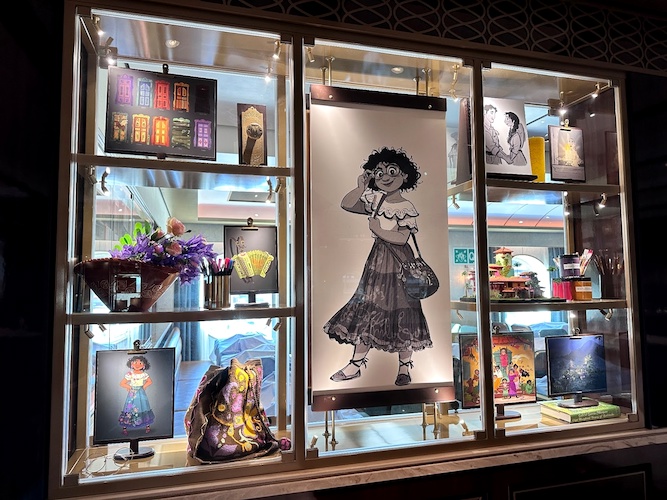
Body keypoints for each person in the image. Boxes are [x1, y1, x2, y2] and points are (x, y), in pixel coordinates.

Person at [324, 146, 432, 387]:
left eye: (392, 171)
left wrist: (378, 230)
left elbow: (402, 238)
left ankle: (404, 366)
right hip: (378, 260)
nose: (385, 177)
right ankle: (356, 363)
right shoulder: (375, 199)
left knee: (405, 310)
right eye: (380, 172)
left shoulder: (406, 206)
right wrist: (360, 187)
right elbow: (347, 204)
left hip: (400, 262)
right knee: (368, 308)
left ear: (405, 175)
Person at [119, 354, 155, 435]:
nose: (137, 365)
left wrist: (143, 387)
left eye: (140, 363)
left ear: (144, 365)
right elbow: (122, 383)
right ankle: (125, 426)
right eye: (135, 363)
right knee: (129, 408)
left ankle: (147, 426)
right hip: (132, 393)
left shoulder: (144, 374)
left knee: (143, 406)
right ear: (131, 364)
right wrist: (129, 387)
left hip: (141, 392)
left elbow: (149, 381)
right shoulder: (130, 374)